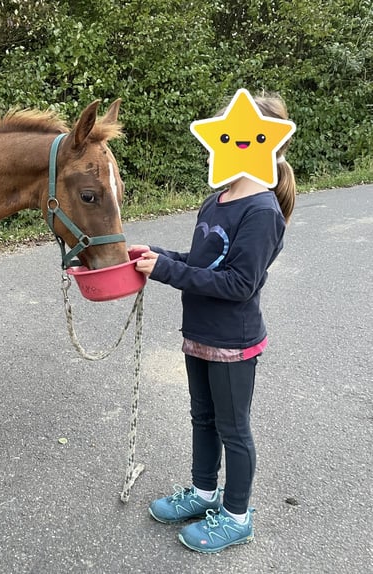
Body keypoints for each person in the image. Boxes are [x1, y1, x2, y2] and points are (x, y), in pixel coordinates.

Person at [131, 92, 297, 553]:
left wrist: (165, 272)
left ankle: (237, 515)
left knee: (233, 428)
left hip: (233, 343)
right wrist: (159, 256)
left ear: (265, 144)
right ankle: (204, 493)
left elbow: (239, 283)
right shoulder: (217, 199)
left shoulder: (261, 211)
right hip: (199, 335)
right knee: (202, 418)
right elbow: (203, 262)